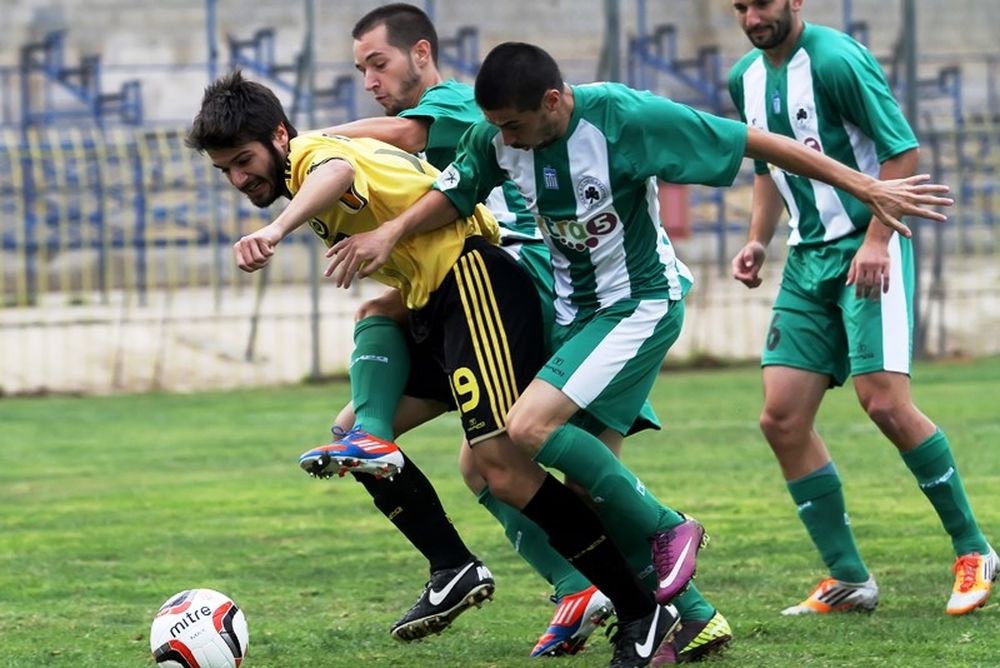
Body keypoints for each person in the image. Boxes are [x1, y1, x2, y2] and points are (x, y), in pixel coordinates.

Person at [326, 40, 951, 664]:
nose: (506, 141)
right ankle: (694, 619)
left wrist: (865, 186)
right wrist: (390, 231)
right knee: (520, 471)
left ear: (553, 100)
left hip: (638, 303)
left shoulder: (625, 118)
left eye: (515, 126)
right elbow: (456, 193)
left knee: (527, 427)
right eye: (498, 129)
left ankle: (666, 526)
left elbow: (752, 142)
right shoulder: (496, 138)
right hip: (573, 315)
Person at [187, 70, 686, 668]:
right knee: (351, 433)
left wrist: (275, 228)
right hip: (437, 304)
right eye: (227, 171)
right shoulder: (312, 156)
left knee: (502, 464)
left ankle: (641, 607)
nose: (241, 179)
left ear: (278, 135)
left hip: (477, 286)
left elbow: (337, 172)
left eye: (244, 160)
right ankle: (452, 565)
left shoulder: (313, 156)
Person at [312, 4, 731, 659]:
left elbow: (403, 135)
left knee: (529, 460)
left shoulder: (452, 105)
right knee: (488, 464)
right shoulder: (483, 134)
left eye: (378, 62)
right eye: (361, 67)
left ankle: (665, 598)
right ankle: (589, 588)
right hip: (537, 296)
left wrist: (310, 140)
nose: (369, 78)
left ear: (421, 54)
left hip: (541, 290)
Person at [726, 0, 996, 618]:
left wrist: (876, 240)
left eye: (761, 3)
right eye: (739, 7)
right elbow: (769, 167)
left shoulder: (837, 59)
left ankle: (975, 550)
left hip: (866, 248)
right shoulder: (745, 76)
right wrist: (757, 238)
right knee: (781, 420)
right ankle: (848, 579)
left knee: (884, 403)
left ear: (795, 0)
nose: (750, 17)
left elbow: (901, 154)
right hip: (805, 260)